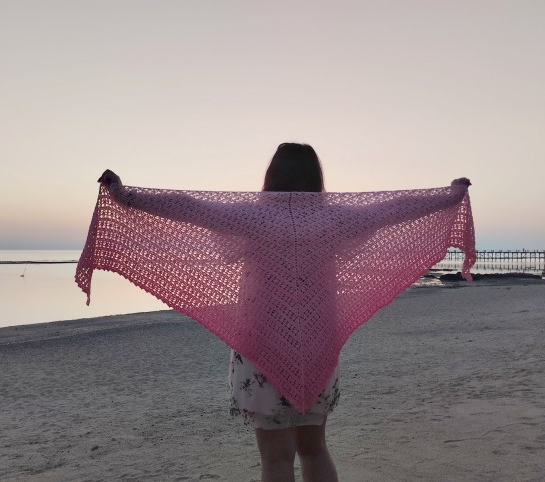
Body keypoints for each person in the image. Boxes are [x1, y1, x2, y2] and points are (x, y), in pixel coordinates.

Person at [97, 143, 471, 482]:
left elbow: (188, 207)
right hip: (318, 347)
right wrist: (450, 196)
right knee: (315, 449)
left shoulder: (250, 217)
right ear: (316, 176)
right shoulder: (335, 219)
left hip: (261, 347)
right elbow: (394, 209)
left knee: (276, 460)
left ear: (272, 175)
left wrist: (124, 195)